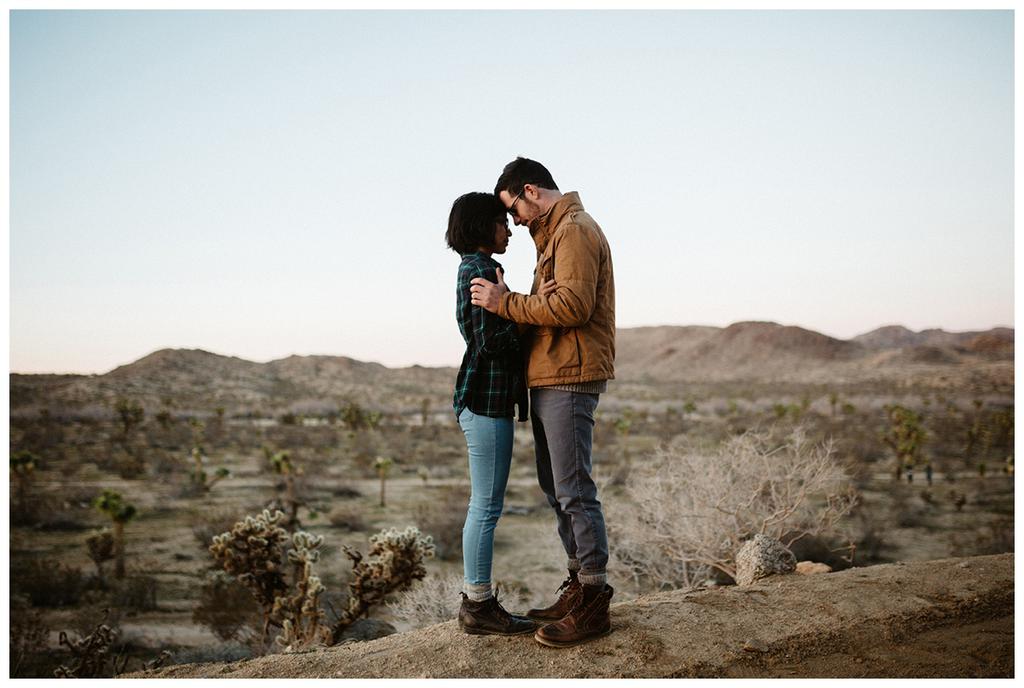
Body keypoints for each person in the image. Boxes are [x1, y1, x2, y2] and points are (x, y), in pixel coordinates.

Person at [470, 157, 616, 648]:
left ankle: (594, 600)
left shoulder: (572, 231)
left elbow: (572, 308)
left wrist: (505, 302)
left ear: (531, 191)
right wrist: (525, 299)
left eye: (513, 209)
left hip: (570, 374)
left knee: (574, 489)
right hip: (552, 372)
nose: (512, 221)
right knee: (557, 488)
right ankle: (578, 585)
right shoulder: (553, 235)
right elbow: (551, 305)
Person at [445, 191, 555, 636]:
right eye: (501, 222)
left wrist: (520, 303)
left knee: (484, 505)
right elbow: (490, 342)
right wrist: (530, 311)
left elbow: (492, 330)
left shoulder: (477, 268)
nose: (509, 229)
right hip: (485, 401)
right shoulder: (480, 269)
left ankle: (478, 603)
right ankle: (478, 605)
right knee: (486, 507)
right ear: (481, 226)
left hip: (487, 401)